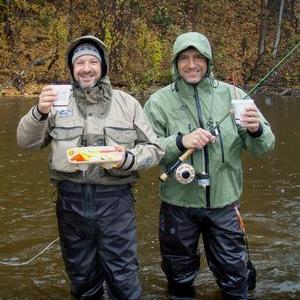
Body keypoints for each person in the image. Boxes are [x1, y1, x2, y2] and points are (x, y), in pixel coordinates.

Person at [17, 35, 164, 300]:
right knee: (82, 278)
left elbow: (155, 150)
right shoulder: (56, 103)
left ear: (103, 66)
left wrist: (128, 158)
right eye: (80, 62)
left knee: (124, 278)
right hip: (70, 202)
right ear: (72, 69)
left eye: (92, 61)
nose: (86, 68)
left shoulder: (127, 103)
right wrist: (39, 111)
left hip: (115, 202)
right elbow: (25, 142)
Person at [144, 32, 275, 299]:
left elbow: (264, 146)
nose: (191, 65)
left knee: (235, 280)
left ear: (208, 61)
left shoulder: (235, 95)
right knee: (178, 281)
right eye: (184, 58)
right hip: (177, 206)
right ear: (175, 63)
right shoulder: (158, 102)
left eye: (198, 58)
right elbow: (145, 149)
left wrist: (255, 130)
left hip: (225, 205)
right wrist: (180, 141)